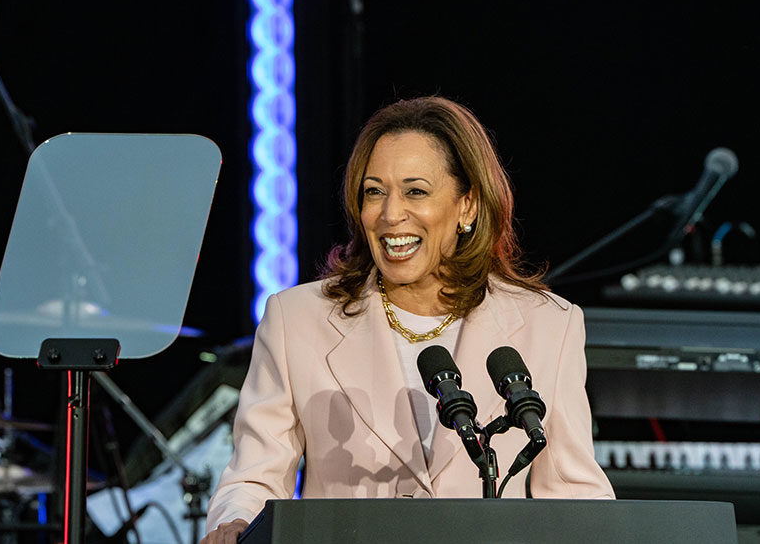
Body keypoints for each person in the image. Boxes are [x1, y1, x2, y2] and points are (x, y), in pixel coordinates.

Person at [201, 96, 613, 543]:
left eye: (416, 191)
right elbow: (254, 475)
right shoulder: (297, 319)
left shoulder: (548, 325)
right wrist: (236, 523)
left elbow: (575, 494)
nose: (390, 214)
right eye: (374, 191)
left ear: (467, 206)